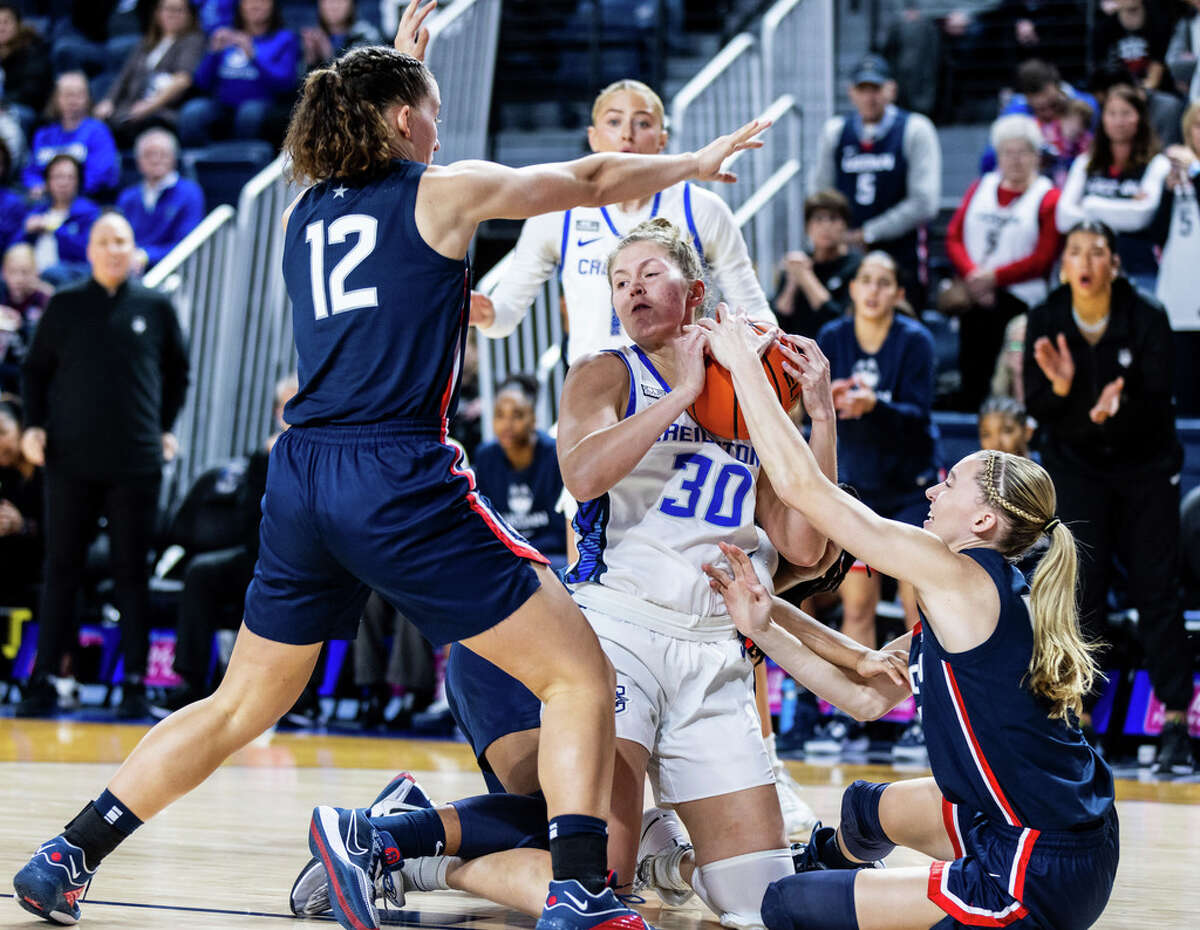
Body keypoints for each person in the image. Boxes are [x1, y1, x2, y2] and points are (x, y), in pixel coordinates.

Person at [10, 5, 772, 927]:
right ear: (404, 120)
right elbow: (590, 175)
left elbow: (367, 159)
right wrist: (689, 166)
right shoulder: (439, 194)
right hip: (395, 469)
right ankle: (576, 886)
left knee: (239, 702)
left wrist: (398, 66)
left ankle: (69, 851)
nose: (441, 126)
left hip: (301, 475)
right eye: (433, 110)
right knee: (578, 672)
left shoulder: (303, 209)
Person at [694, 311, 1119, 930]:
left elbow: (806, 491)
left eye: (950, 484)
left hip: (1035, 869)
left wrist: (744, 369)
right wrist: (762, 623)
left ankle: (860, 903)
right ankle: (823, 879)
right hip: (1053, 834)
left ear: (983, 522)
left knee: (784, 911)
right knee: (864, 810)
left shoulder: (957, 575)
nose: (931, 492)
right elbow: (864, 696)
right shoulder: (976, 597)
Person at [1023, 219, 1195, 775]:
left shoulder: (1146, 315)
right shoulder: (1047, 317)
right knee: (1079, 588)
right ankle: (1079, 717)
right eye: (1075, 251)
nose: (1086, 261)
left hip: (1145, 466)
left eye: (1097, 252)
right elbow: (1039, 408)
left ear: (1114, 264)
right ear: (1065, 263)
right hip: (1077, 469)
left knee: (1156, 587)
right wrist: (1068, 393)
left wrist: (1116, 415)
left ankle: (1173, 720)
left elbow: (1161, 400)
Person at [15, 211, 189, 722]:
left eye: (123, 241)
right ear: (89, 251)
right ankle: (44, 677)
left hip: (136, 460)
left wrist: (162, 427)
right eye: (105, 241)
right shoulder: (64, 304)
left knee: (131, 571)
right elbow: (33, 372)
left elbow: (178, 374)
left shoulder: (156, 307)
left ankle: (135, 682)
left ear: (135, 250)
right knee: (61, 569)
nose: (115, 249)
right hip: (69, 459)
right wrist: (33, 426)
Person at [472, 78, 776, 363]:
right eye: (614, 121)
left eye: (642, 122)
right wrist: (486, 314)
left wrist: (777, 351)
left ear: (662, 140)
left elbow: (752, 309)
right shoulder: (557, 212)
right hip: (595, 394)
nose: (627, 134)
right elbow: (505, 315)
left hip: (681, 391)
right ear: (593, 137)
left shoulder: (701, 208)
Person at [808, 251, 937, 758]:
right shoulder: (833, 337)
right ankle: (848, 716)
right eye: (866, 280)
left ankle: (925, 716)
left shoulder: (916, 341)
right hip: (858, 491)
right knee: (857, 605)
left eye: (886, 282)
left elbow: (919, 415)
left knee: (917, 606)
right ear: (854, 288)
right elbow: (802, 400)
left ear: (899, 293)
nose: (875, 290)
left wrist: (874, 406)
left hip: (908, 487)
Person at [945, 114, 1061, 411]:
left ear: (1036, 155)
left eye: (1023, 151)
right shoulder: (980, 186)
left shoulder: (1047, 197)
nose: (1016, 159)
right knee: (972, 361)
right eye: (1008, 152)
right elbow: (954, 235)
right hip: (975, 295)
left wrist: (994, 278)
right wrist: (974, 275)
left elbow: (1044, 257)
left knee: (1012, 367)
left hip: (1021, 302)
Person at [810, 54, 941, 309]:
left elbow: (924, 202)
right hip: (846, 252)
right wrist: (837, 233)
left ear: (891, 89)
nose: (870, 97)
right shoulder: (835, 131)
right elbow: (819, 195)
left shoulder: (915, 128)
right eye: (863, 89)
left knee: (902, 328)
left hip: (901, 251)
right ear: (851, 92)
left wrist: (869, 232)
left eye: (876, 89)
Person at [1056, 83, 1171, 292]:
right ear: (1103, 119)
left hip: (1140, 270)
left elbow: (1140, 217)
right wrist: (1122, 209)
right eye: (1112, 114)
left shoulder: (1157, 163)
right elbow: (1063, 218)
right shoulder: (1086, 162)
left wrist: (1089, 205)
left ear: (1140, 118)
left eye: (1126, 113)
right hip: (1088, 274)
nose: (1119, 121)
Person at [472, 375, 567, 572]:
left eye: (517, 415)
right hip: (506, 557)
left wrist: (520, 553)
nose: (507, 424)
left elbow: (561, 532)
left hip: (549, 557)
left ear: (533, 419)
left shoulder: (555, 454)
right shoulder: (485, 457)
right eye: (500, 415)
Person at [179, 0, 301, 147]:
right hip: (222, 104)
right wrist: (213, 53)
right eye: (248, 2)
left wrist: (253, 56)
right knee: (193, 112)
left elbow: (286, 82)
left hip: (262, 104)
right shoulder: (227, 36)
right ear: (239, 6)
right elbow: (202, 83)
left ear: (273, 6)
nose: (255, 5)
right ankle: (198, 162)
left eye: (263, 2)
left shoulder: (284, 39)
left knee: (249, 114)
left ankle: (243, 164)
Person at [93, 0, 207, 147]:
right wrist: (108, 101)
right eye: (167, 9)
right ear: (158, 13)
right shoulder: (146, 43)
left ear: (189, 16)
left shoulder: (192, 41)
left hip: (162, 111)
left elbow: (183, 80)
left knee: (139, 126)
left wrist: (150, 106)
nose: (172, 15)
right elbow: (124, 77)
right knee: (99, 124)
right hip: (130, 107)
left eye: (178, 10)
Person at [1149, 100, 1200, 415]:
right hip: (1179, 299)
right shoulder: (1175, 173)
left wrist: (1195, 172)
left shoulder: (1192, 172)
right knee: (1184, 398)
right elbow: (1156, 236)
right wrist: (1168, 193)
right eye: (1196, 125)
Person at [981, 58, 1099, 185]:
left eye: (1054, 105)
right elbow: (991, 157)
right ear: (1027, 99)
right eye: (1040, 109)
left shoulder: (1086, 106)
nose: (1048, 113)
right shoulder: (1015, 113)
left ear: (1059, 89)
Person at [771, 189, 860, 339]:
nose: (825, 226)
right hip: (795, 350)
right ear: (807, 227)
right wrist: (792, 284)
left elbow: (839, 321)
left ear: (845, 226)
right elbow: (776, 322)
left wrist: (806, 278)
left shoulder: (856, 266)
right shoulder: (799, 262)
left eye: (833, 219)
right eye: (818, 219)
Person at [116, 128, 206, 273]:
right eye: (149, 154)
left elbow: (187, 244)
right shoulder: (128, 197)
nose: (156, 159)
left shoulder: (190, 193)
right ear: (138, 161)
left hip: (173, 273)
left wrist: (146, 255)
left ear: (174, 158)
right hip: (129, 271)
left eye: (163, 154)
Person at [21, 72, 120, 201]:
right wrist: (36, 185)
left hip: (86, 202)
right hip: (46, 203)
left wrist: (61, 189)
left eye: (79, 95)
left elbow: (100, 173)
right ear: (56, 99)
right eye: (68, 95)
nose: (73, 100)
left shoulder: (98, 132)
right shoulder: (44, 135)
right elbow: (31, 171)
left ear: (88, 99)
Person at [12, 154, 102, 288]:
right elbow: (14, 250)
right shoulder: (37, 211)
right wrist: (26, 232)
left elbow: (88, 253)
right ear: (47, 181)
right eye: (57, 177)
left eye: (70, 177)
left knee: (52, 273)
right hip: (31, 278)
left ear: (78, 181)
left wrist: (56, 229)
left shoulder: (90, 212)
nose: (63, 183)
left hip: (69, 279)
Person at [0, 396, 43, 609]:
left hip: (39, 564)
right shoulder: (4, 476)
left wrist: (23, 525)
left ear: (22, 427)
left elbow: (63, 532)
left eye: (3, 432)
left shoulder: (47, 473)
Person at [1092, 0, 1174, 93]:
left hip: (1156, 90)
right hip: (1117, 91)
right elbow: (1100, 68)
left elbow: (1159, 62)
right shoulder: (1104, 28)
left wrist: (1145, 90)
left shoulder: (1159, 22)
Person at [0, 243, 50, 394]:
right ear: (4, 273)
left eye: (25, 272)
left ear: (36, 272)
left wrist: (22, 326)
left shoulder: (45, 300)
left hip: (32, 370)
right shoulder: (2, 294)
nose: (19, 279)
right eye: (13, 272)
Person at [0, 3, 52, 140]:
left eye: (6, 22)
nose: (1, 27)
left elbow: (32, 91)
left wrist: (4, 103)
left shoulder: (32, 50)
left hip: (25, 110)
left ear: (18, 25)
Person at [301, 0, 383, 70]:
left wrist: (328, 56)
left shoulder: (367, 36)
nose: (334, 6)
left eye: (340, 1)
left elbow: (359, 81)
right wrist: (310, 61)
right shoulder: (311, 38)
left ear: (352, 4)